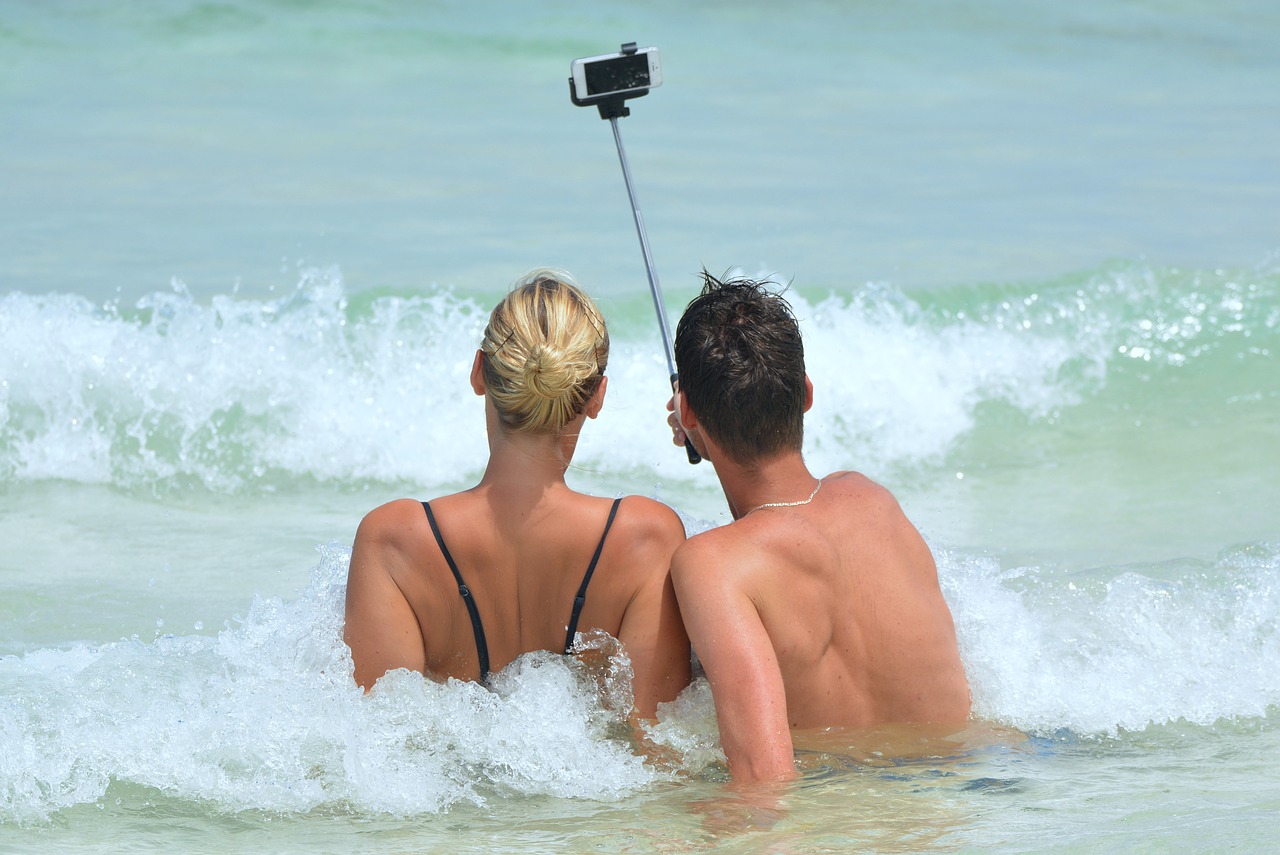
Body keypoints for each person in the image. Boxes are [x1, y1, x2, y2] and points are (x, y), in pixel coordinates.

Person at [666, 271, 970, 783]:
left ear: (686, 410)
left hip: (836, 821)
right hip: (954, 804)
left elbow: (765, 784)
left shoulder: (713, 565)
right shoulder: (873, 501)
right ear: (806, 393)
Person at [345, 270, 690, 720]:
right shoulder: (648, 538)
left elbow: (375, 753)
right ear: (597, 397)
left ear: (478, 372)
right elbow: (661, 755)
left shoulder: (392, 541)